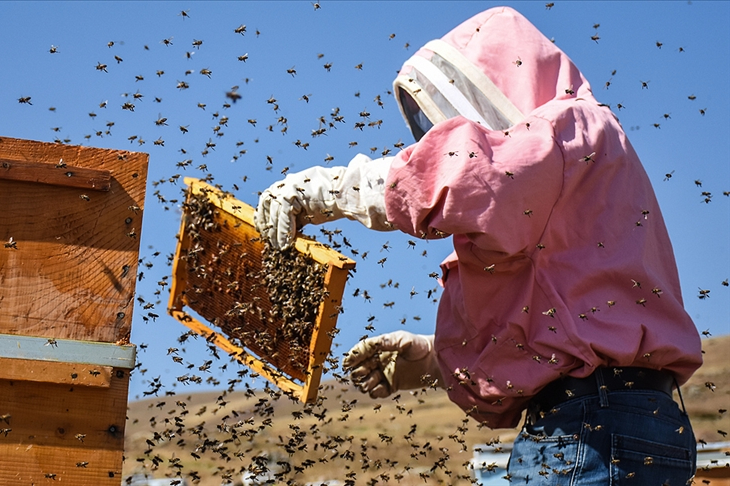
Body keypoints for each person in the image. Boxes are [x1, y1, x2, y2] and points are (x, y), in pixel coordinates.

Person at [254, 6, 703, 485]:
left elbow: (466, 171)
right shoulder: (571, 186)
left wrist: (328, 190)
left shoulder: (570, 126)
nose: (437, 138)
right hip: (633, 422)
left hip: (590, 428)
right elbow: (563, 313)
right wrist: (433, 361)